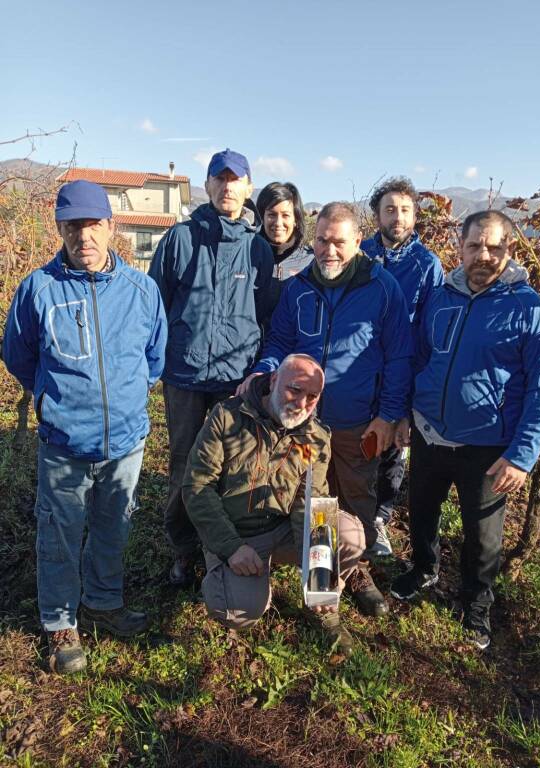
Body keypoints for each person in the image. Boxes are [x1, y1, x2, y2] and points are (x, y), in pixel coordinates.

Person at [3, 180, 167, 674]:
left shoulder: (142, 291)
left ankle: (103, 600)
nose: (84, 237)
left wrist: (127, 396)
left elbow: (154, 359)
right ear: (60, 229)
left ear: (111, 227)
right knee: (59, 532)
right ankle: (60, 623)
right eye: (73, 226)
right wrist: (58, 401)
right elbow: (19, 356)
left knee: (114, 525)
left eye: (93, 225)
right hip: (64, 442)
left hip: (125, 440)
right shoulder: (39, 289)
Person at [390, 210, 540, 650]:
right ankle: (424, 568)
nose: (483, 255)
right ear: (460, 248)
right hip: (429, 433)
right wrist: (410, 413)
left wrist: (523, 455)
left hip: (487, 447)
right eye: (474, 246)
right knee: (423, 511)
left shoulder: (530, 310)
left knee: (483, 536)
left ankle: (476, 605)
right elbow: (419, 357)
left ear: (509, 249)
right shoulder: (440, 298)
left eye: (493, 247)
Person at [239, 202, 413, 617]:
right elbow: (279, 342)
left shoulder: (382, 288)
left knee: (358, 496)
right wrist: (264, 372)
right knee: (317, 500)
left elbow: (399, 356)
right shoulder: (299, 289)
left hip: (360, 421)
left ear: (357, 241)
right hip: (306, 423)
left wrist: (388, 414)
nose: (329, 250)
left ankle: (355, 570)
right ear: (312, 239)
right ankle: (322, 588)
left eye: (338, 241)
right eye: (321, 240)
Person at [148, 149, 274, 586]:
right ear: (207, 185)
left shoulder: (259, 250)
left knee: (231, 468)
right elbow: (155, 307)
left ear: (247, 188)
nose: (226, 187)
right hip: (183, 375)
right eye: (218, 179)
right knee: (184, 467)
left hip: (234, 381)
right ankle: (183, 550)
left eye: (235, 179)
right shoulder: (180, 240)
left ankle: (221, 550)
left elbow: (263, 314)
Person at [183, 354, 364, 654]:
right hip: (236, 534)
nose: (302, 403)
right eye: (295, 390)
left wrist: (321, 574)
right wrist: (231, 547)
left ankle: (321, 608)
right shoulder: (227, 417)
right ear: (273, 381)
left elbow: (314, 503)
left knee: (350, 535)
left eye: (312, 397)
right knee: (237, 611)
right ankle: (232, 573)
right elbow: (198, 487)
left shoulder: (314, 438)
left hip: (282, 530)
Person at [361, 177, 444, 558]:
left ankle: (378, 519)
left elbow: (428, 331)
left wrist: (414, 400)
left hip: (404, 371)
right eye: (390, 209)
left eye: (405, 209)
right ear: (377, 214)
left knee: (394, 450)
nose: (398, 216)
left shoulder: (427, 265)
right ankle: (351, 512)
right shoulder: (360, 254)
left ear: (415, 216)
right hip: (361, 368)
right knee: (358, 442)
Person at [255, 182, 313, 308]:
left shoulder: (310, 262)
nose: (278, 223)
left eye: (286, 215)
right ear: (262, 217)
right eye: (271, 215)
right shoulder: (249, 257)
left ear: (296, 220)